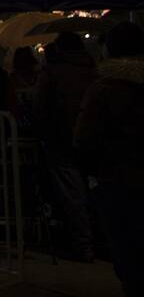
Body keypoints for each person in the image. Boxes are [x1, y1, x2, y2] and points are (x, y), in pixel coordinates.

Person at [74, 21, 144, 297]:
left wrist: (91, 172)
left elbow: (85, 139)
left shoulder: (103, 89)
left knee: (127, 248)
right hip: (122, 176)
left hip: (117, 179)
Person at [33, 33, 99, 262]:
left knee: (73, 193)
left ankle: (83, 244)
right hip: (94, 139)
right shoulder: (95, 70)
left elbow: (39, 105)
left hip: (61, 139)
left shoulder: (52, 72)